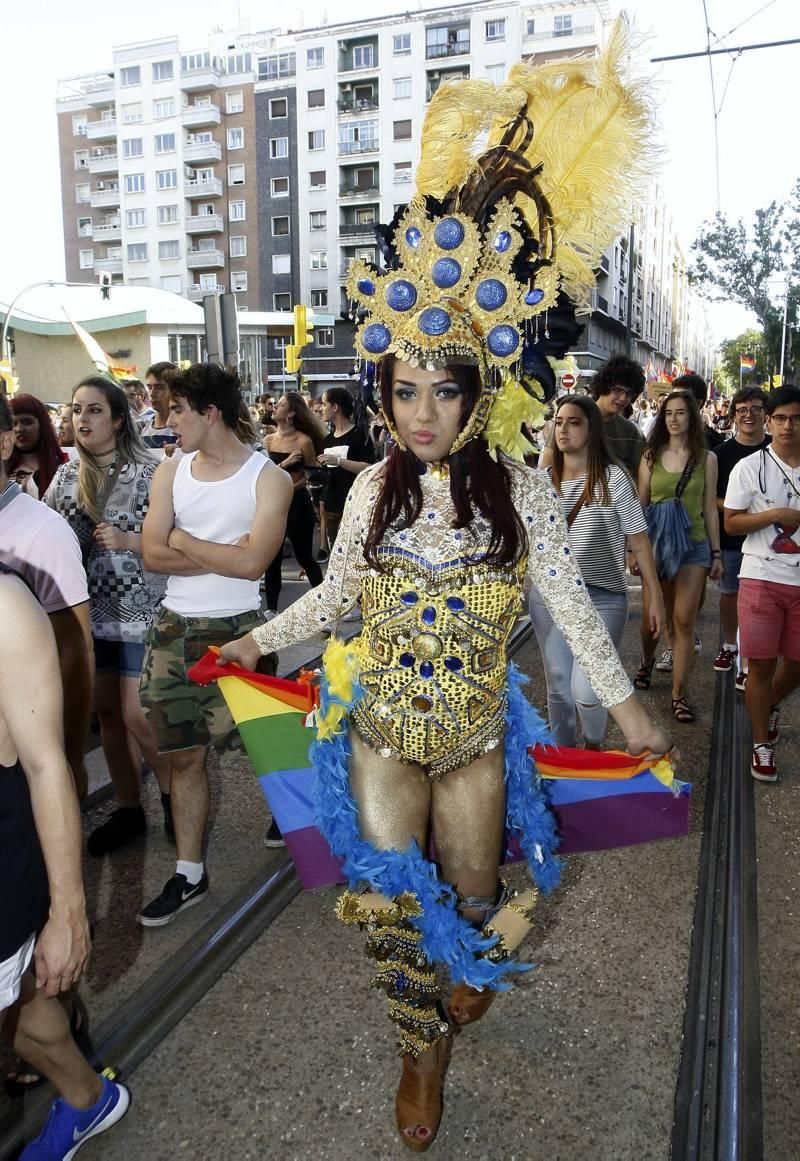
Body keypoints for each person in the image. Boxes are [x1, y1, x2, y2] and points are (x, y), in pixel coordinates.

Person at [221, 33, 668, 1150]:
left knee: (470, 899)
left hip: (473, 738)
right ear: (384, 390)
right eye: (404, 390)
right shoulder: (368, 487)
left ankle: (463, 974)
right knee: (388, 906)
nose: (421, 412)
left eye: (443, 390)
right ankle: (418, 1050)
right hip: (376, 726)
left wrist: (626, 714)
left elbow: (567, 610)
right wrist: (258, 644)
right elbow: (329, 602)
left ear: (479, 391)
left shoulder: (519, 488)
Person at [140, 362, 293, 925]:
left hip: (242, 634)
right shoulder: (170, 472)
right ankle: (189, 874)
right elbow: (152, 554)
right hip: (173, 632)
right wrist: (217, 548)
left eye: (176, 409)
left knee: (267, 750)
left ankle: (299, 820)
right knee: (183, 758)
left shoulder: (267, 478)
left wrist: (180, 535)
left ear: (210, 413)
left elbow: (255, 563)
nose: (167, 419)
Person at [0, 570, 129, 1158]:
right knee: (25, 1007)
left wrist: (68, 910)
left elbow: (48, 765)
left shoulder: (5, 605)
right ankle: (85, 1097)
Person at [45, 377, 171, 855]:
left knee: (139, 716)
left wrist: (129, 540)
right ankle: (127, 808)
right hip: (88, 612)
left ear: (119, 418)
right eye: (77, 410)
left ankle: (171, 798)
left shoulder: (152, 471)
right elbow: (52, 542)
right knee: (108, 717)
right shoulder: (64, 476)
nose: (82, 419)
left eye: (94, 410)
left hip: (143, 608)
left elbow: (169, 541)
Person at [530, 396, 664, 747]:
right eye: (559, 422)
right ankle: (563, 763)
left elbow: (639, 539)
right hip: (550, 599)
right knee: (558, 686)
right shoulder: (541, 481)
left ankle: (592, 748)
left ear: (591, 428)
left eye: (574, 422)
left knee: (587, 689)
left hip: (603, 596)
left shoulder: (613, 477)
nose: (563, 429)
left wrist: (654, 596)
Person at [0, 396, 93, 803]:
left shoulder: (43, 531)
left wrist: (66, 750)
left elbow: (75, 645)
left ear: (5, 445)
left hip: (20, 752)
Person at [724, 384, 800, 782]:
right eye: (781, 418)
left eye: (796, 418)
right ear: (770, 423)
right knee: (761, 665)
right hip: (761, 574)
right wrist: (777, 514)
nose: (788, 426)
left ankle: (766, 704)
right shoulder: (749, 467)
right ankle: (761, 743)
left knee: (798, 663)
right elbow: (731, 522)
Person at [635, 391, 722, 722]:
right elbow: (639, 506)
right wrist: (633, 549)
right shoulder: (649, 457)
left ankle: (678, 694)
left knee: (684, 619)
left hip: (694, 545)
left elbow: (709, 508)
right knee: (651, 620)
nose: (673, 418)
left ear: (692, 417)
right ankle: (646, 661)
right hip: (655, 546)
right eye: (667, 412)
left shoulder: (706, 459)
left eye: (680, 412)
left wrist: (716, 552)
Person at [713, 385, 770, 683]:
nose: (749, 415)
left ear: (765, 414)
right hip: (733, 538)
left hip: (770, 541)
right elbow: (709, 498)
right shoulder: (721, 454)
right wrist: (740, 511)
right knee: (729, 594)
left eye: (756, 409)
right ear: (734, 415)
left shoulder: (778, 449)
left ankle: (750, 658)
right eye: (742, 410)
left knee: (759, 602)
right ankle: (729, 645)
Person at [263, 391, 325, 615]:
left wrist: (291, 486)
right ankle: (271, 609)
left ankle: (324, 605)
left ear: (291, 413)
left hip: (297, 504)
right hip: (273, 504)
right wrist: (286, 466)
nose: (274, 408)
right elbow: (265, 475)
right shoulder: (269, 439)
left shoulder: (303, 440)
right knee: (272, 557)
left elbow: (312, 474)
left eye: (280, 405)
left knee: (304, 557)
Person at [316, 386, 376, 561]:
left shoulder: (359, 435)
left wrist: (339, 461)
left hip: (355, 504)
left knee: (356, 557)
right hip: (332, 504)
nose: (321, 408)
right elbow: (328, 473)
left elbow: (368, 467)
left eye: (324, 404)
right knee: (338, 556)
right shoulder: (327, 439)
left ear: (335, 407)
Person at [8, 394, 68, 499]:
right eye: (13, 423)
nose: (19, 429)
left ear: (42, 425)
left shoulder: (62, 467)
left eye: (27, 422)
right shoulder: (3, 467)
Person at [139, 361, 177, 450]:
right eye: (149, 387)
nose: (152, 394)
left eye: (159, 387)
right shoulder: (141, 428)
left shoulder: (185, 429)